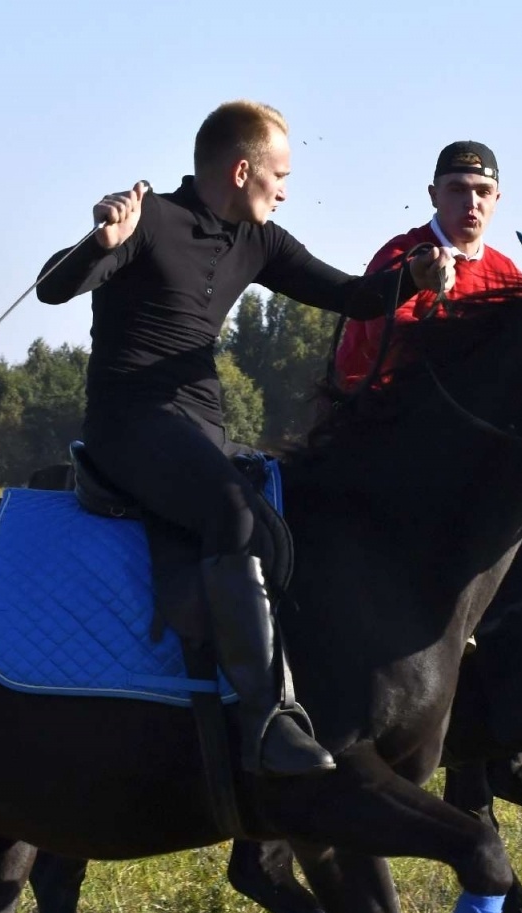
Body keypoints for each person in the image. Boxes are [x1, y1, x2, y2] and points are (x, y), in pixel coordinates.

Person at [36, 100, 455, 777]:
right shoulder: (152, 221)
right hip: (129, 427)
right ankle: (266, 721)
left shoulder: (260, 241)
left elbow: (351, 295)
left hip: (203, 433)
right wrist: (100, 243)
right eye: (280, 175)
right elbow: (53, 290)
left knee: (293, 514)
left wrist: (414, 276)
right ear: (241, 171)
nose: (287, 189)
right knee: (233, 512)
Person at [335, 141, 522, 389]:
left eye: (483, 192)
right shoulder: (400, 255)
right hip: (375, 410)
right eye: (457, 190)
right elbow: (392, 339)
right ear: (434, 196)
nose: (471, 202)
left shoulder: (507, 273)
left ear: (497, 199)